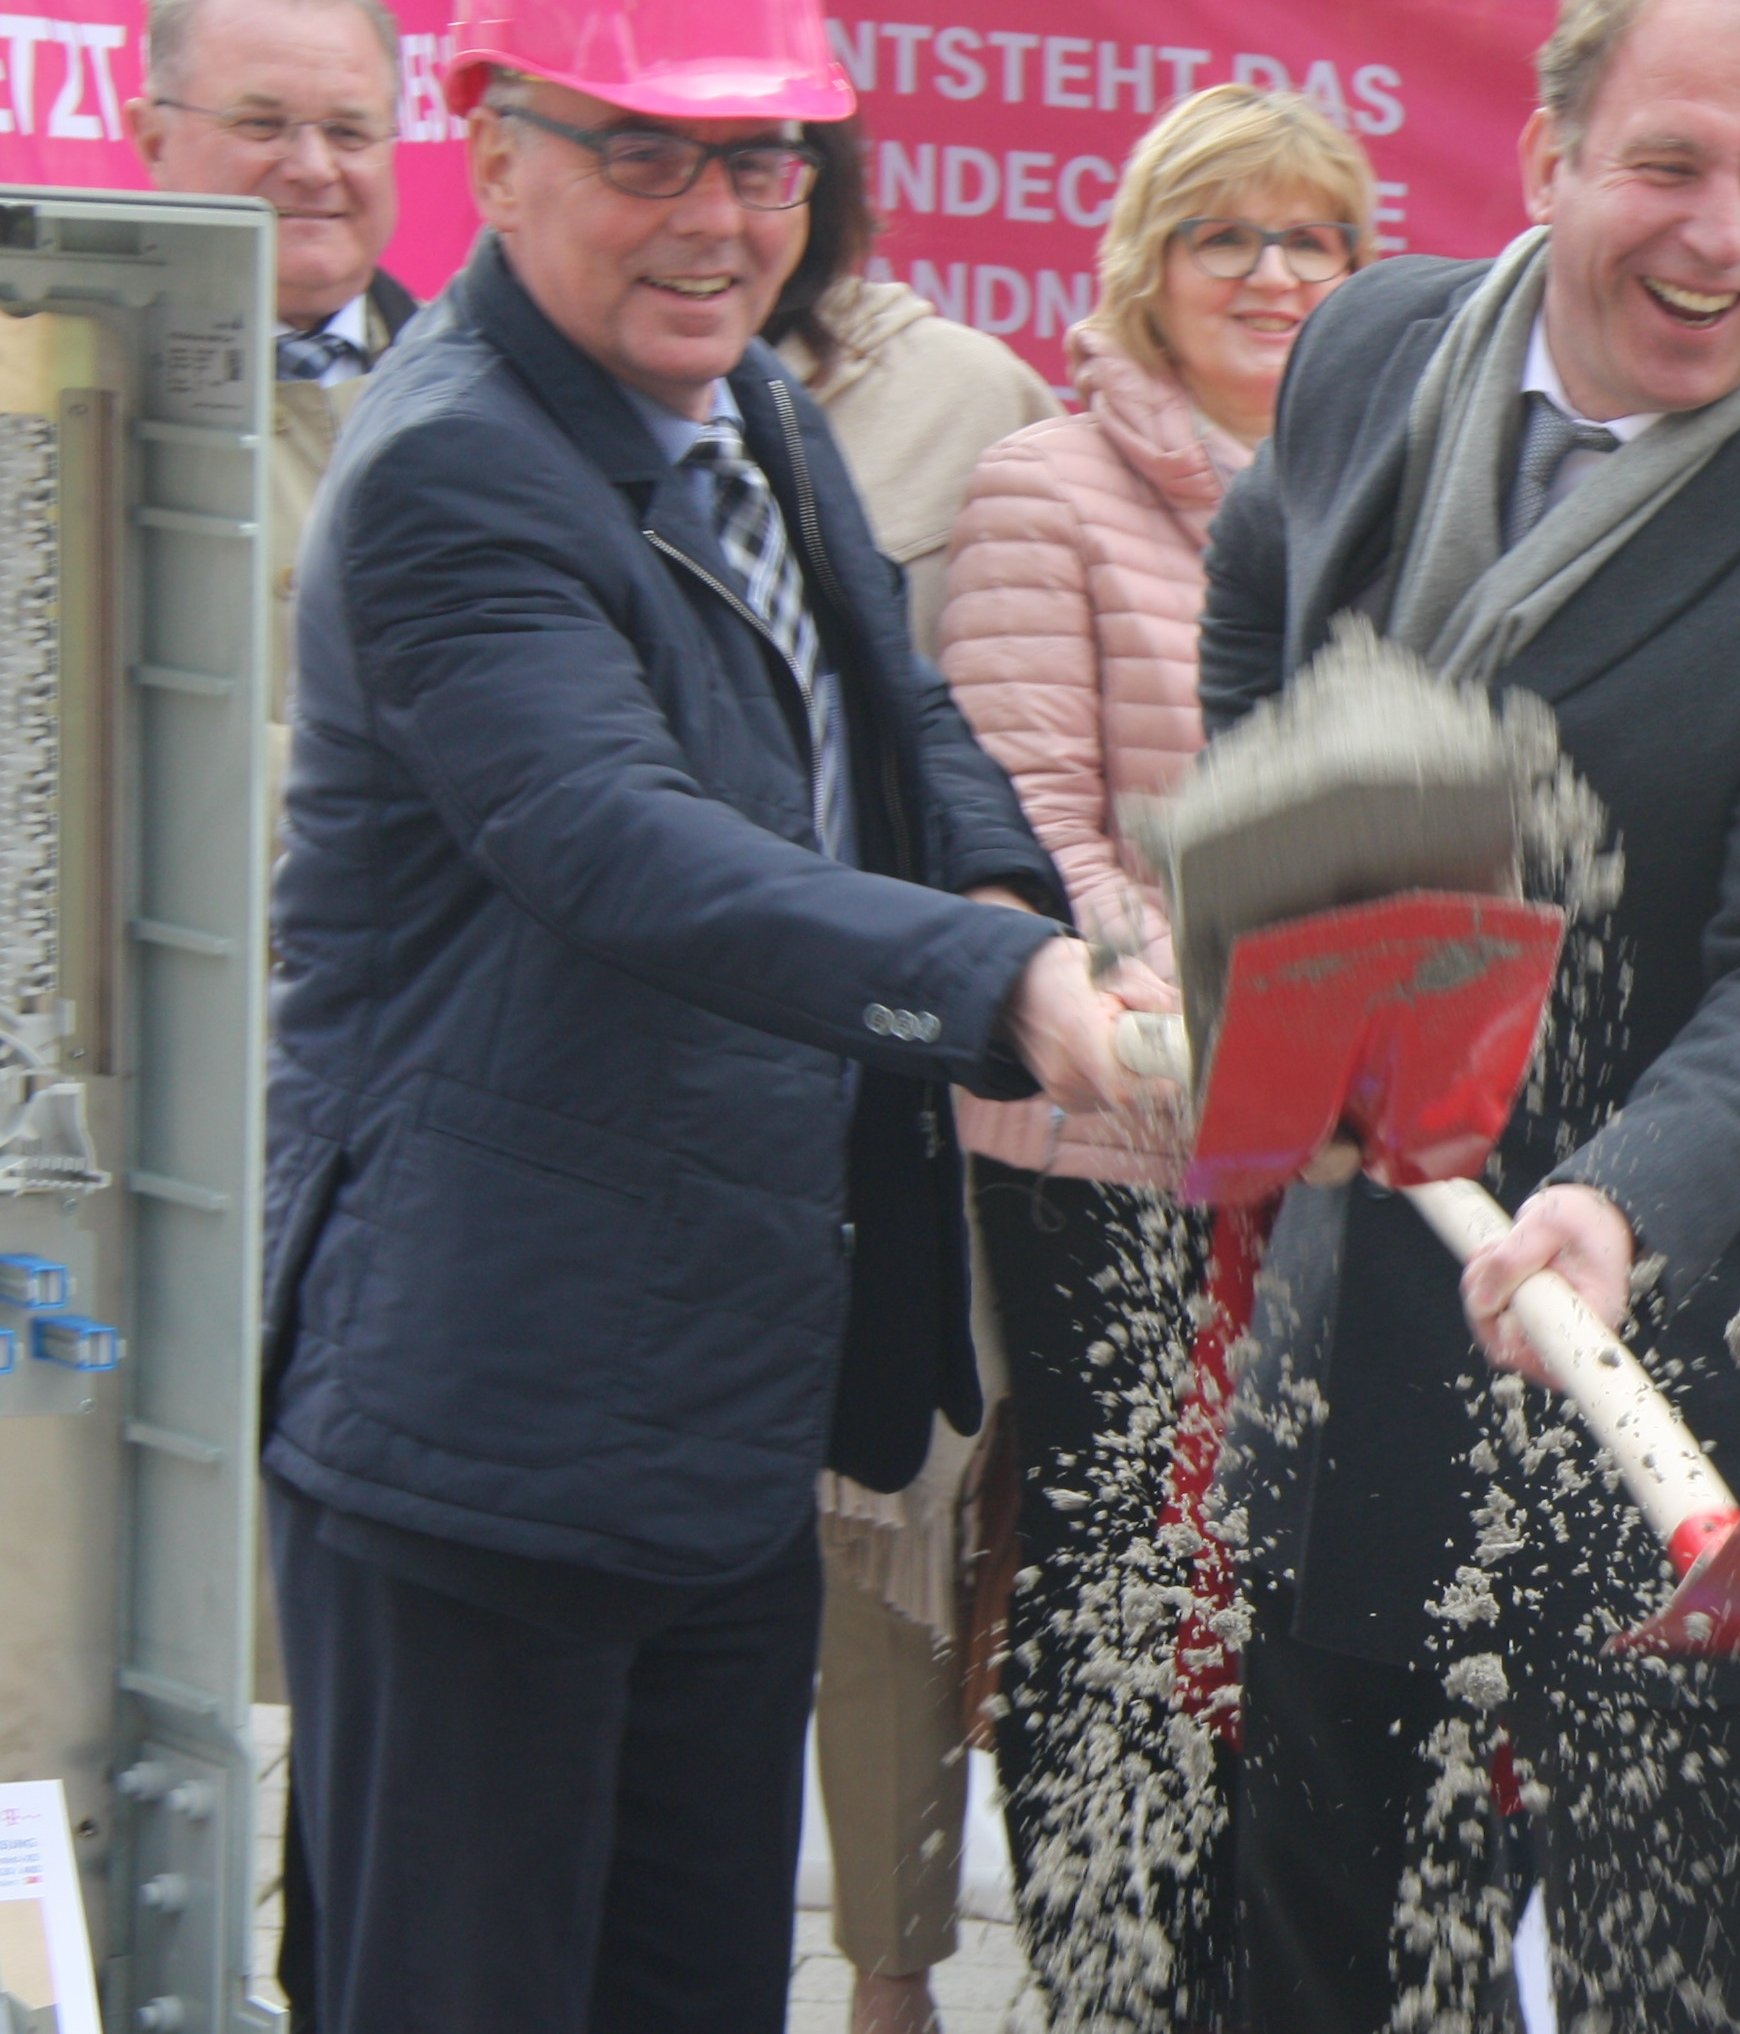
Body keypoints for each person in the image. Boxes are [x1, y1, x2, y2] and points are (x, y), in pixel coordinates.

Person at [258, 0, 1154, 2024]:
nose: (723, 218)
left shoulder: (744, 400)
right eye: (648, 155)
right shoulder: (454, 469)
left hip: (718, 1410)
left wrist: (1035, 912)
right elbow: (618, 841)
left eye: (766, 163)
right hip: (487, 1411)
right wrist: (1000, 987)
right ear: (492, 161)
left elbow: (899, 716)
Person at [1190, 0, 1740, 2019]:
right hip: (1355, 1310)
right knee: (1321, 1931)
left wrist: (1621, 1200)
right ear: (1551, 157)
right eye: (1671, 165)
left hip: (1658, 1372)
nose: (1726, 233)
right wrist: (1248, 896)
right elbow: (1258, 580)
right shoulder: (1377, 347)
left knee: (1652, 1956)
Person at [933, 79, 1373, 2031]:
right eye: (1230, 237)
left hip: (1348, 1143)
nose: (1274, 275)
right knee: (1126, 1578)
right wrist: (1226, 1029)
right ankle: (1112, 1985)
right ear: (1148, 264)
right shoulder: (1049, 488)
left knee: (1288, 1589)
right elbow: (1037, 835)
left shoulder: (1380, 481)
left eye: (1313, 241)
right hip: (1120, 1137)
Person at [753, 114, 1065, 2034]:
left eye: (760, 158)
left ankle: (889, 1969)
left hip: (888, 1079)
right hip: (663, 1092)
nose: (717, 205)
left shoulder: (964, 395)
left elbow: (960, 730)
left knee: (892, 1526)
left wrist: (1009, 957)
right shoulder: (530, 404)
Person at [126, 0, 416, 722]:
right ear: (153, 138)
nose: (314, 169)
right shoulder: (53, 407)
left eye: (349, 132)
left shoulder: (507, 399)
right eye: (262, 125)